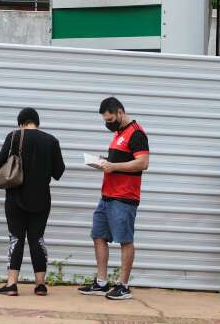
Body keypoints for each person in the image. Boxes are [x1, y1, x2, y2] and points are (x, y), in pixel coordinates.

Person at [78, 97, 149, 301]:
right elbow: (120, 160)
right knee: (98, 235)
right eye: (105, 121)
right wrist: (103, 162)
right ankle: (101, 282)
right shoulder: (119, 134)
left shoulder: (136, 133)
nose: (108, 124)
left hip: (124, 197)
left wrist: (114, 166)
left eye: (110, 119)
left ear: (119, 112)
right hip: (107, 195)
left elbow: (143, 163)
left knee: (125, 240)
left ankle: (124, 286)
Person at [0, 108, 65, 296]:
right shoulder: (51, 140)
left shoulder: (14, 136)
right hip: (41, 198)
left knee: (16, 238)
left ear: (21, 123)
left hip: (15, 197)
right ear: (36, 121)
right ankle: (40, 285)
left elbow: (0, 161)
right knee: (37, 239)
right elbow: (59, 171)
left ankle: (11, 284)